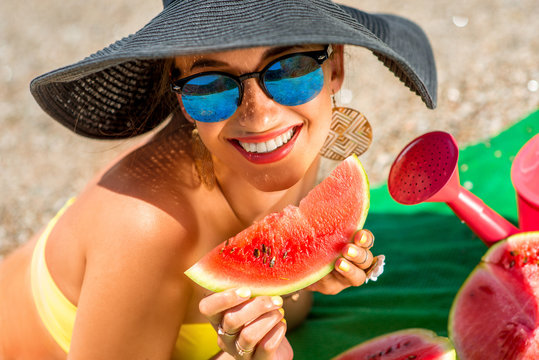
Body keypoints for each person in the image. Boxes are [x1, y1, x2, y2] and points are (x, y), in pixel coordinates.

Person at [0, 0, 437, 359]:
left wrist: (310, 272)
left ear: (334, 68)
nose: (260, 115)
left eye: (288, 69)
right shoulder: (143, 229)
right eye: (211, 85)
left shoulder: (300, 145)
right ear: (181, 95)